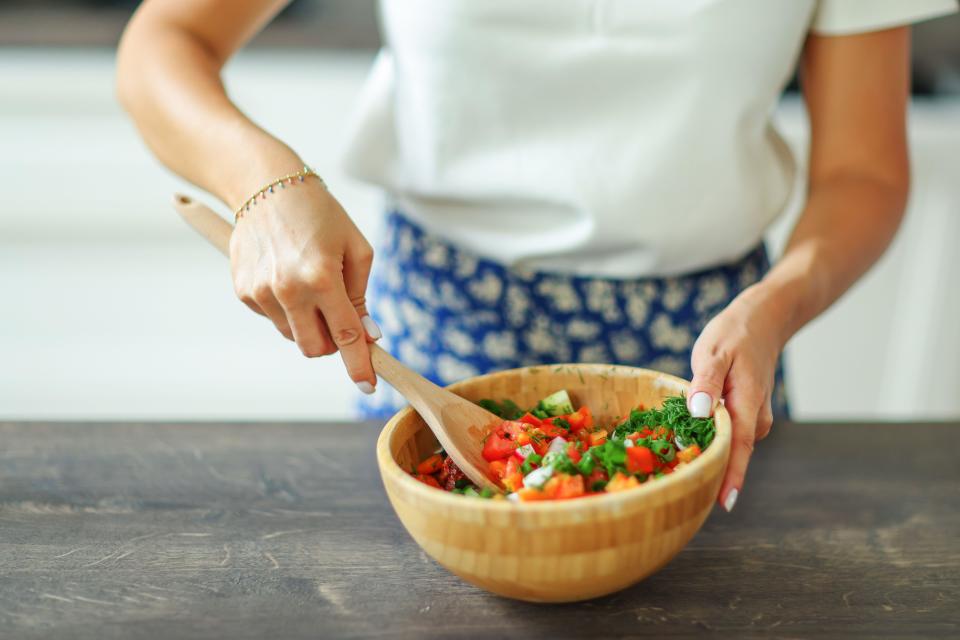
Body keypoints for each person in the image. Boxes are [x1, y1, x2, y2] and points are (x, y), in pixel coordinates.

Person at [116, 0, 956, 512]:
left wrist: (777, 306)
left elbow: (864, 172)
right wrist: (263, 183)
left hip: (713, 348)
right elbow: (165, 41)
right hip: (431, 333)